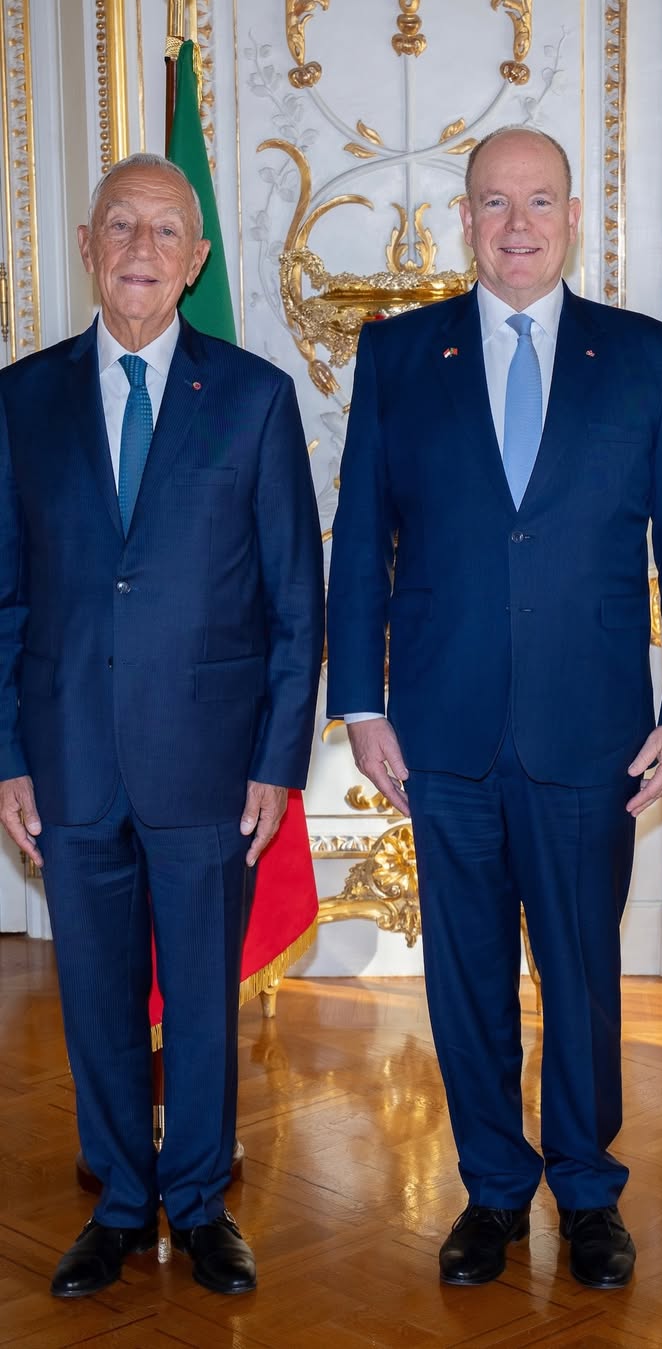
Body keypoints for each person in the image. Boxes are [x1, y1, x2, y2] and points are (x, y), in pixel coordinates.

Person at [326, 126, 662, 1289]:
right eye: (493, 201)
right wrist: (362, 699)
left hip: (591, 726)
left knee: (582, 970)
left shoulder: (645, 356)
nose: (516, 222)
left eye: (538, 200)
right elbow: (361, 545)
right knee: (464, 976)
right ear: (464, 219)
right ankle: (494, 1189)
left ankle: (588, 1187)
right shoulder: (398, 355)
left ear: (572, 216)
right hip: (440, 729)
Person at [0, 154, 324, 1297]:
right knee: (91, 991)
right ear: (89, 247)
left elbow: (298, 601)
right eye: (121, 225)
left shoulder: (252, 396)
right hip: (69, 755)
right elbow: (4, 594)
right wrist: (7, 759)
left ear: (195, 262)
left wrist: (280, 763)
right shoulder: (20, 398)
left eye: (166, 230)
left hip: (210, 761)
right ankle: (120, 1202)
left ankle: (198, 1199)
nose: (142, 246)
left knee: (199, 993)